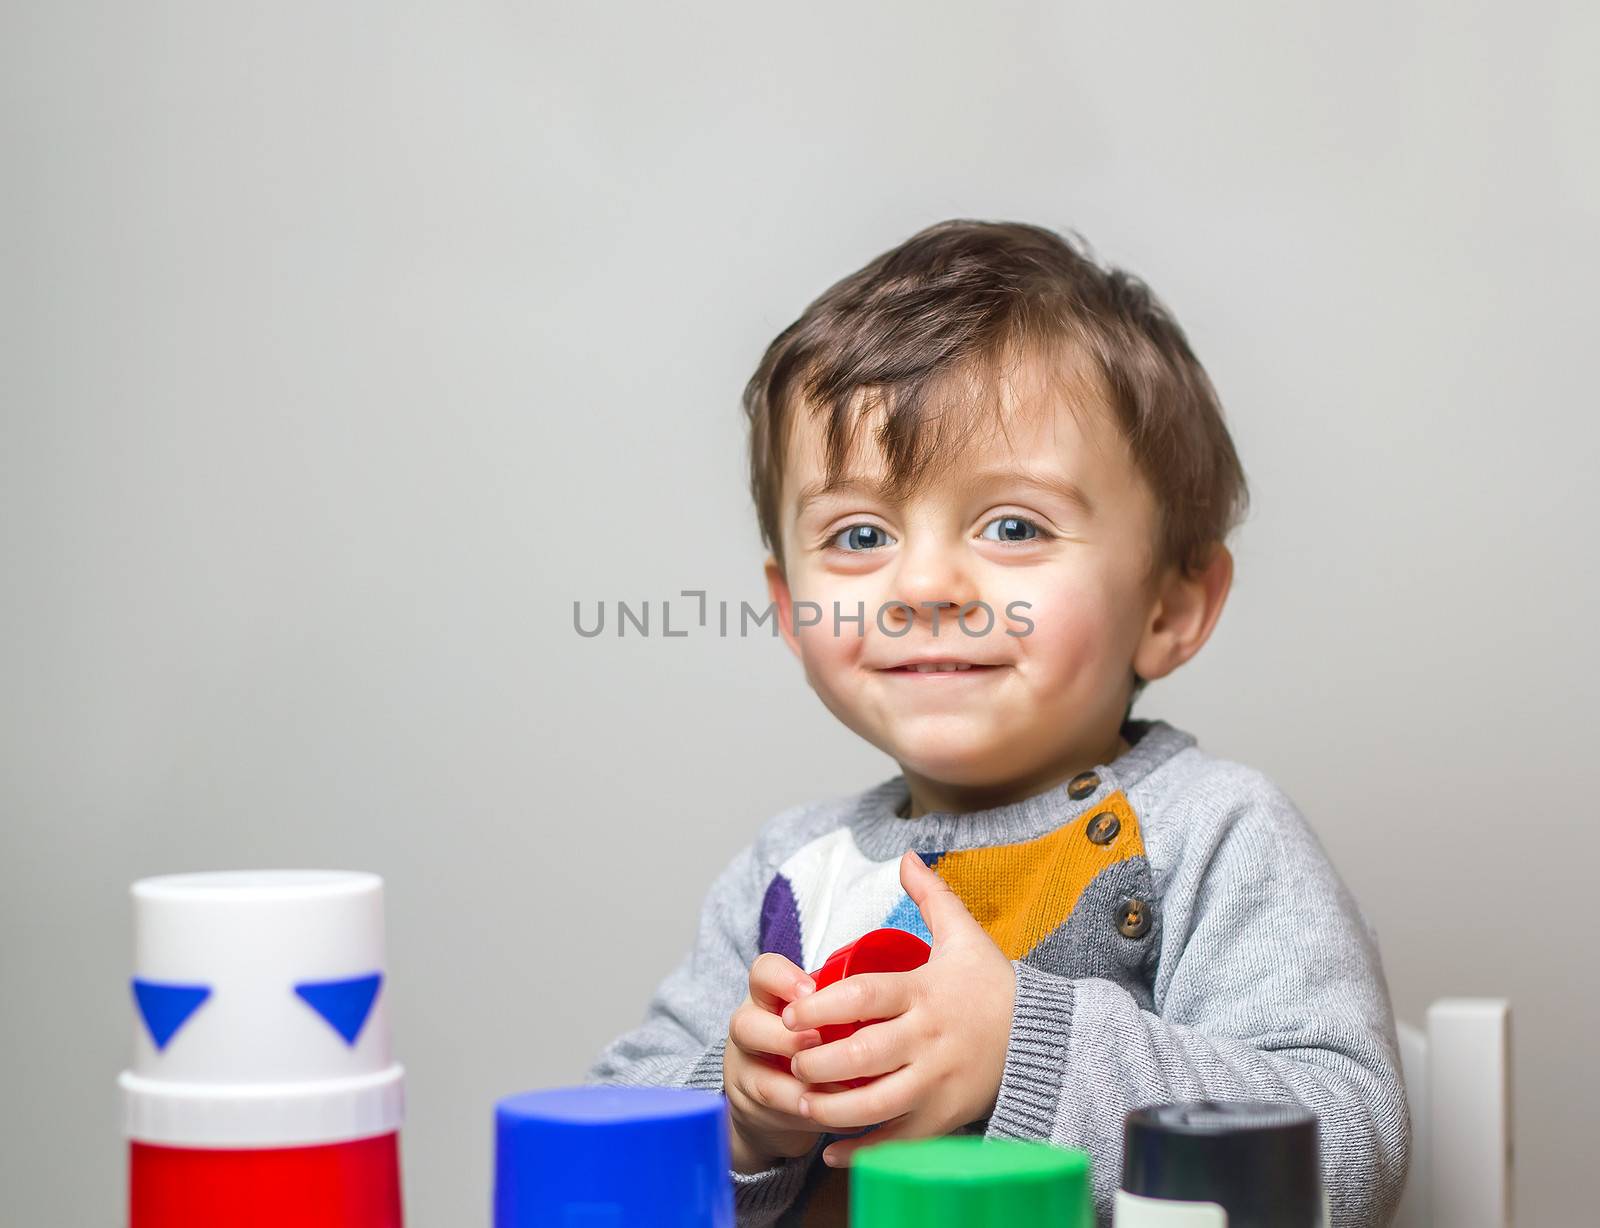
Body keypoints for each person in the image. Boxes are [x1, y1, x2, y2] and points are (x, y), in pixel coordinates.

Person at [587, 219, 1410, 1227]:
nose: (924, 583)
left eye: (1013, 525)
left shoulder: (1214, 831)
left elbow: (1347, 1144)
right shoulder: (790, 871)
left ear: (1169, 605)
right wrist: (736, 1116)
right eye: (858, 534)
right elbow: (610, 1132)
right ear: (789, 606)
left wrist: (1023, 1046)